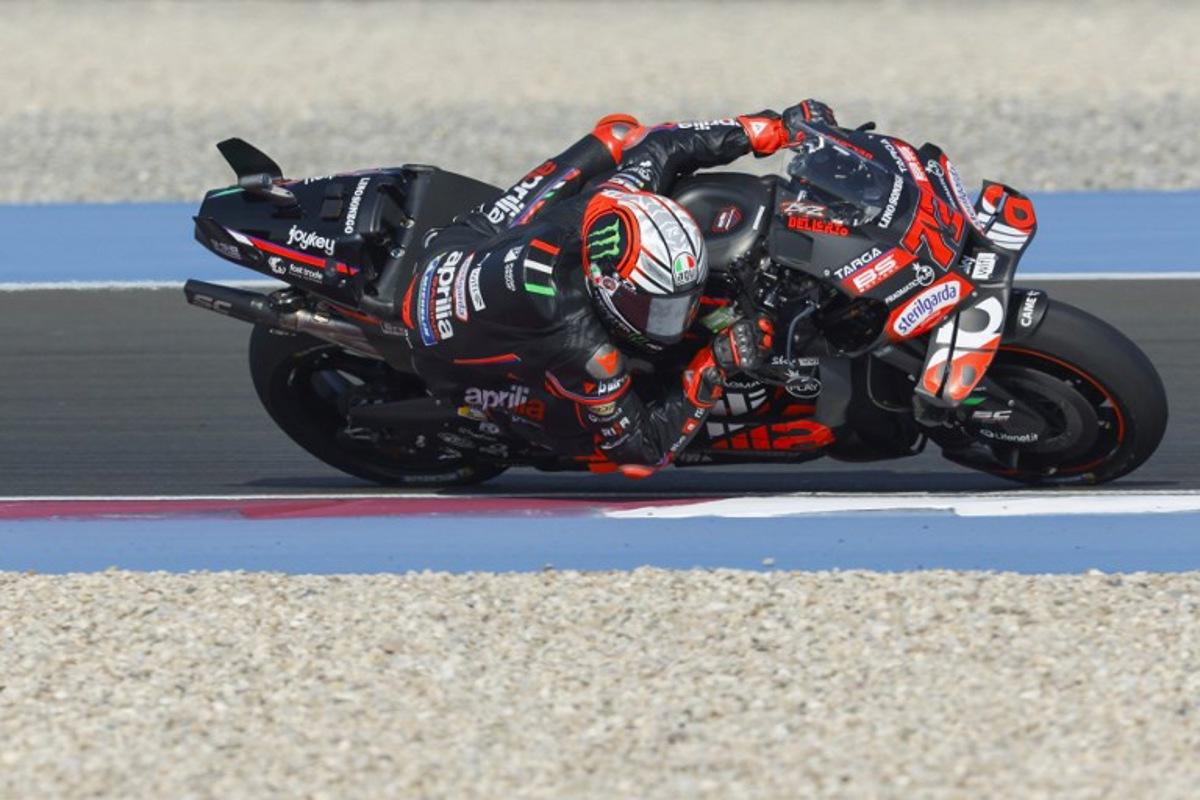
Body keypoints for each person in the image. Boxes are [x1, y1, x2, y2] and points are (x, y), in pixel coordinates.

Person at [398, 100, 838, 477]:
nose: (680, 319)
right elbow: (642, 453)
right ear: (610, 291)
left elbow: (664, 145)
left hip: (476, 243)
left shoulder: (616, 197)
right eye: (663, 309)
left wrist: (768, 130)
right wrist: (713, 364)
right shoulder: (585, 348)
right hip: (438, 335)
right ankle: (495, 417)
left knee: (619, 133)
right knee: (576, 431)